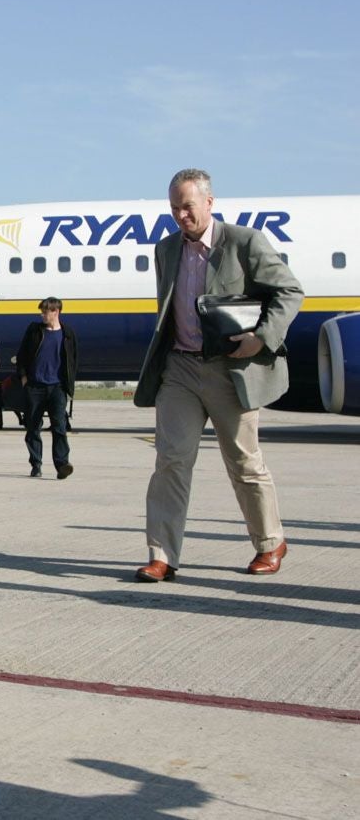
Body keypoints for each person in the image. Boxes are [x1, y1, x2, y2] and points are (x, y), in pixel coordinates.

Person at [133, 169, 303, 582]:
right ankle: (163, 554)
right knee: (171, 461)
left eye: (187, 206)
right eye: (174, 208)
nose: (180, 215)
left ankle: (269, 542)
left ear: (209, 202)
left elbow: (289, 292)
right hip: (180, 368)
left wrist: (261, 339)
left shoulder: (245, 243)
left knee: (243, 462)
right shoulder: (166, 249)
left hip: (231, 369)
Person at [17, 296, 79, 478]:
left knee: (59, 426)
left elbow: (73, 360)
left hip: (57, 388)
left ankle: (62, 465)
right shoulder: (34, 331)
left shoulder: (68, 333)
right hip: (35, 387)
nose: (42, 315)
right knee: (33, 428)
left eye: (46, 311)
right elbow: (22, 355)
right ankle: (36, 464)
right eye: (42, 311)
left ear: (56, 312)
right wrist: (23, 377)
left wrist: (69, 384)